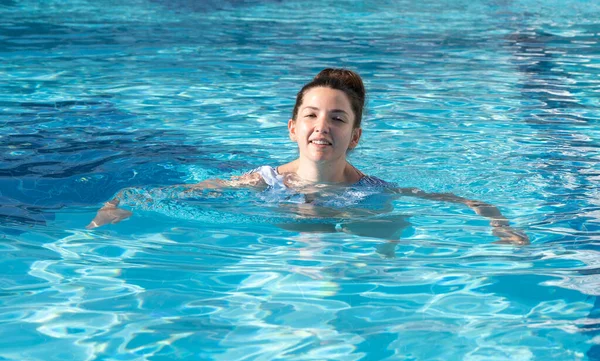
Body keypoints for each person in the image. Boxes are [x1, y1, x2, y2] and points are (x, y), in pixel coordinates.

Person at [87, 68, 529, 248]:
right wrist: (119, 201)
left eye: (337, 119)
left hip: (351, 235)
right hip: (287, 236)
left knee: (384, 222)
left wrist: (498, 223)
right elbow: (168, 193)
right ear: (294, 127)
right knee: (303, 220)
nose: (323, 126)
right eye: (312, 115)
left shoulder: (370, 189)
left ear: (353, 136)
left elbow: (463, 201)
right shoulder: (261, 181)